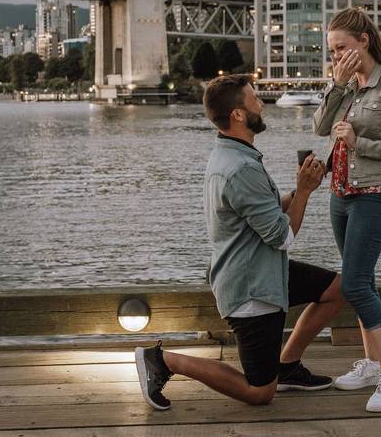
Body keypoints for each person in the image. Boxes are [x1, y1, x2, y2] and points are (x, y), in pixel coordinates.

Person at [134, 74, 345, 410]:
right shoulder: (241, 169)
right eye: (254, 98)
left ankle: (287, 366)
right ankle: (162, 361)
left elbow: (263, 212)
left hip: (262, 269)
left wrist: (300, 189)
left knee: (337, 289)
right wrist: (304, 192)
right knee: (259, 392)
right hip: (252, 289)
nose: (261, 103)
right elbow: (282, 236)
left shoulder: (232, 155)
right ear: (237, 114)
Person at [312, 8, 381, 413]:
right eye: (332, 50)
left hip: (377, 192)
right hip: (341, 193)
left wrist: (359, 144)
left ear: (364, 42)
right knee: (364, 280)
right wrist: (335, 86)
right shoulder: (344, 86)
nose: (336, 56)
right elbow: (321, 128)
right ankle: (373, 364)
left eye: (342, 48)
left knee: (353, 284)